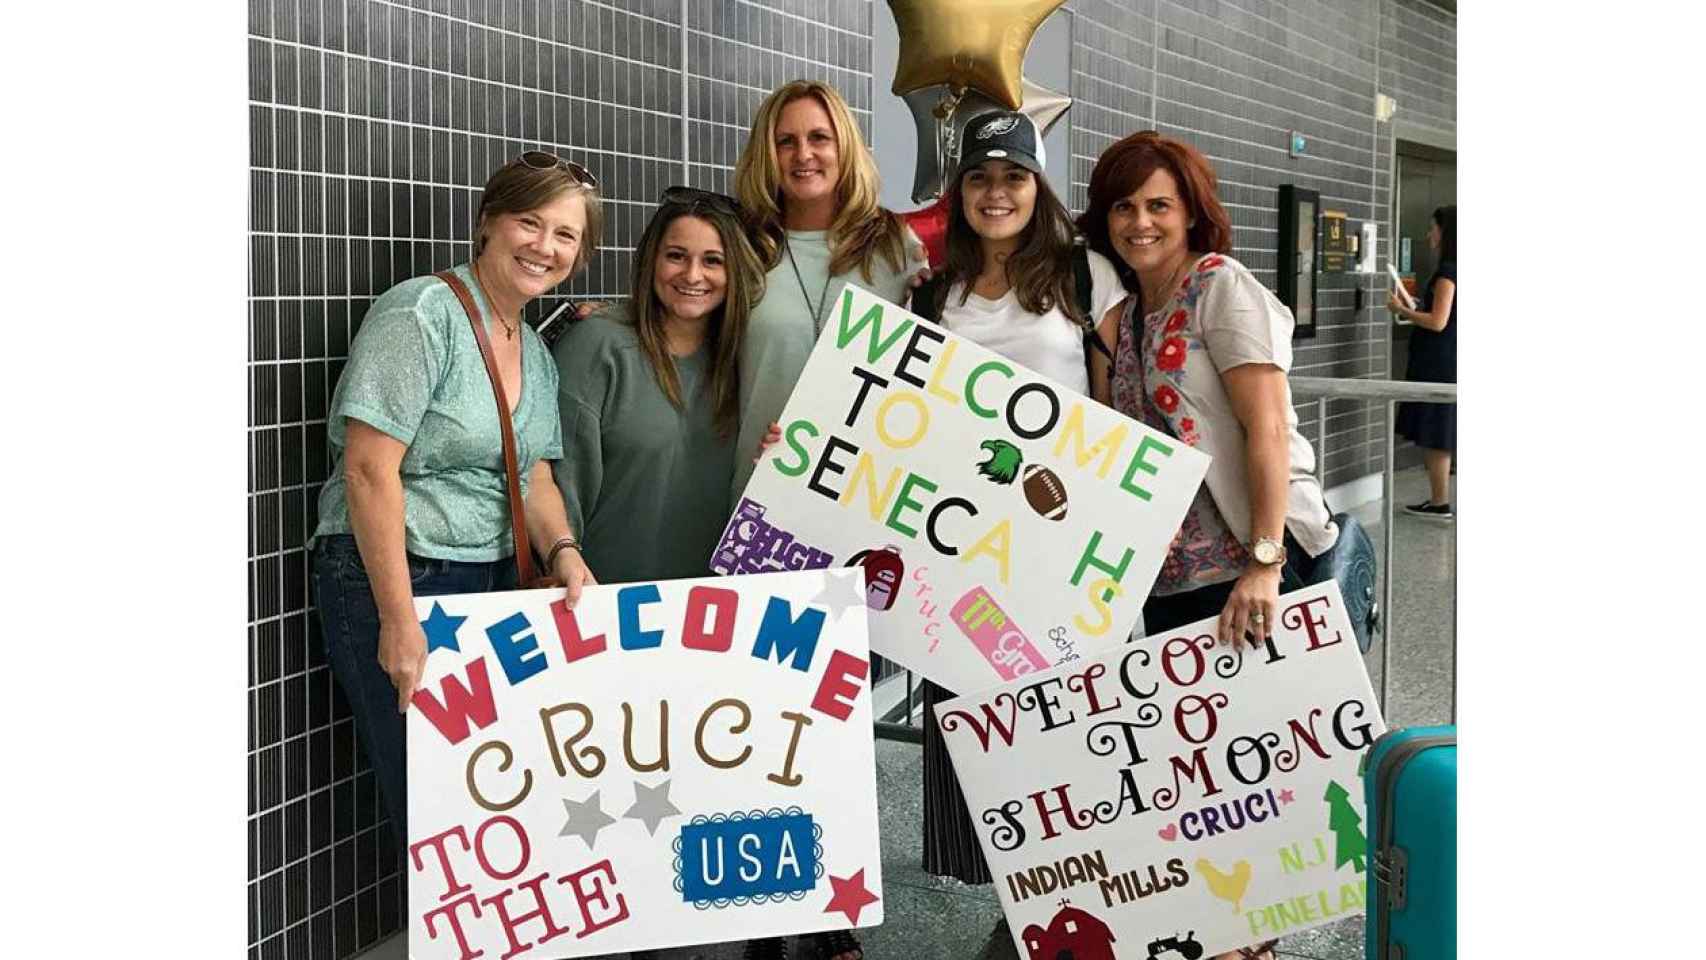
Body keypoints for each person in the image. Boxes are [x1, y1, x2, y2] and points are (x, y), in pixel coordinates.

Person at [1079, 130, 1342, 960]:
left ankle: (1252, 941)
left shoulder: (1220, 289)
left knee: (1257, 772)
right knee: (1202, 775)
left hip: (1245, 570)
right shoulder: (1118, 322)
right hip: (1167, 581)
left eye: (1159, 204)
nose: (1140, 221)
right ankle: (1230, 938)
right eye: (1124, 205)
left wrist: (1265, 565)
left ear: (1193, 213)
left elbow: (1267, 430)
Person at [309, 151, 601, 851]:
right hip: (401, 575)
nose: (545, 246)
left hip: (491, 582)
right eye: (530, 223)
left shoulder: (533, 346)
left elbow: (531, 476)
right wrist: (399, 619)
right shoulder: (421, 314)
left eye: (565, 235)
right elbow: (370, 471)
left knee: (490, 804)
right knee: (438, 814)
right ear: (488, 224)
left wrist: (564, 553)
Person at [905, 109, 1129, 960]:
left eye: (1014, 177)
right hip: (961, 557)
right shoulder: (931, 293)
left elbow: (1119, 409)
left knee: (1068, 728)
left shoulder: (1082, 274)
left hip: (1063, 554)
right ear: (958, 193)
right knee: (982, 736)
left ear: (1039, 188)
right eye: (979, 178)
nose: (996, 193)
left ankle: (1065, 912)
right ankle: (1020, 903)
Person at [731, 78, 929, 506]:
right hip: (760, 486)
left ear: (845, 147)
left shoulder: (897, 247)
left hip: (864, 495)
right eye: (786, 141)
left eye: (819, 137)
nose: (803, 155)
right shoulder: (742, 247)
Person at [552, 187, 765, 583]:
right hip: (601, 608)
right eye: (676, 256)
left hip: (716, 616)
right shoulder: (598, 346)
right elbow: (557, 490)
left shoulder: (745, 362)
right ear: (652, 259)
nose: (692, 275)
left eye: (713, 261)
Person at [1389, 204, 1457, 519]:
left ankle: (1440, 501)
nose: (1429, 234)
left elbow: (1438, 321)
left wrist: (1402, 311)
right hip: (1443, 358)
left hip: (1439, 362)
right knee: (1437, 427)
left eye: (1433, 228)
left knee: (1437, 429)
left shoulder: (1448, 272)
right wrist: (1415, 304)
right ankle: (1437, 499)